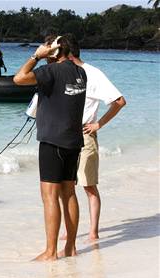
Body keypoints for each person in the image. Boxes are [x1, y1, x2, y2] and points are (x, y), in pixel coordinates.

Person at [13, 35, 87, 261]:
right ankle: (71, 247)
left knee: (50, 197)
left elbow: (19, 78)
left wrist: (36, 56)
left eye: (47, 48)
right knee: (69, 193)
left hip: (53, 141)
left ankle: (51, 252)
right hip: (73, 141)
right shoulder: (80, 72)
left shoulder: (51, 71)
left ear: (53, 51)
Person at [59, 34, 127, 242]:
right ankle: (68, 230)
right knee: (64, 186)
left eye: (59, 55)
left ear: (69, 55)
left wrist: (99, 124)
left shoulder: (93, 73)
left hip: (84, 134)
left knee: (88, 185)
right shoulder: (62, 73)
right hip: (62, 135)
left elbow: (119, 101)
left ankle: (93, 231)